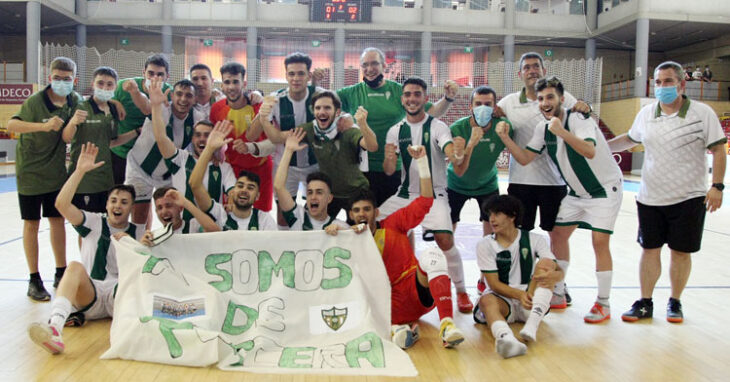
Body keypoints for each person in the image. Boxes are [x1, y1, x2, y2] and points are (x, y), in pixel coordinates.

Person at [496, 76, 623, 324]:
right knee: (558, 235)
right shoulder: (543, 129)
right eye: (541, 98)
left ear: (562, 99)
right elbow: (524, 159)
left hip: (604, 189)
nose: (545, 102)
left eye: (550, 97)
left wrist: (561, 131)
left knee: (599, 242)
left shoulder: (578, 118)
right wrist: (505, 138)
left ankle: (603, 302)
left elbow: (589, 150)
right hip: (576, 194)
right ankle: (558, 290)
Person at [608, 61, 727, 323]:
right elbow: (630, 139)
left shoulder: (702, 113)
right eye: (658, 82)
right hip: (650, 196)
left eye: (668, 81)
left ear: (682, 84)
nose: (662, 87)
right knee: (649, 249)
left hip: (689, 197)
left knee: (680, 252)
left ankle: (675, 302)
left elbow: (718, 150)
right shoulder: (647, 113)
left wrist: (717, 186)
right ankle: (645, 302)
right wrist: (601, 148)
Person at [337, 145, 464, 349]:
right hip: (389, 306)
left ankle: (447, 326)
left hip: (417, 291)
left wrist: (422, 162)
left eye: (367, 209)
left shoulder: (394, 224)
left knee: (432, 254)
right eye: (357, 210)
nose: (362, 214)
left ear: (376, 212)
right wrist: (334, 231)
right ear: (351, 215)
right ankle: (401, 330)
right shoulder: (346, 239)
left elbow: (425, 200)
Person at [27, 143, 145, 354]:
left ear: (131, 208)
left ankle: (137, 332)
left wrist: (133, 245)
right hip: (91, 294)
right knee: (73, 267)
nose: (117, 206)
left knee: (138, 284)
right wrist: (79, 171)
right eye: (113, 201)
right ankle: (55, 328)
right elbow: (61, 204)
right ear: (107, 204)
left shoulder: (139, 232)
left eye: (124, 202)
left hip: (120, 294)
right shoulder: (93, 222)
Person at [496, 52, 590, 309]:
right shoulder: (508, 102)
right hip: (521, 180)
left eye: (536, 66)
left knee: (557, 236)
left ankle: (559, 286)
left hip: (554, 181)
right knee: (518, 235)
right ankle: (518, 281)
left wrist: (586, 106)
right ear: (520, 74)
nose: (532, 70)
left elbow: (580, 110)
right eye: (526, 67)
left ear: (543, 68)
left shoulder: (561, 96)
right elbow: (493, 116)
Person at [381, 77, 473, 313]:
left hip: (434, 195)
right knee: (377, 228)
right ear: (402, 99)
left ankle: (461, 291)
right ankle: (391, 281)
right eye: (408, 94)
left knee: (445, 240)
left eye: (417, 94)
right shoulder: (395, 131)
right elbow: (389, 170)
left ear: (425, 98)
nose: (412, 99)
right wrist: (390, 158)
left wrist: (458, 152)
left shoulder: (438, 126)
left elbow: (452, 155)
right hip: (404, 194)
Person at [336, 47, 458, 206]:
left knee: (396, 220)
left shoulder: (398, 91)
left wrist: (448, 98)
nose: (369, 69)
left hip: (395, 168)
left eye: (374, 64)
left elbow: (432, 111)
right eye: (365, 65)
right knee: (363, 220)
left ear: (384, 66)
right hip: (360, 169)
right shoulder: (350, 93)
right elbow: (321, 104)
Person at [7, 56, 82, 301]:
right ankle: (34, 278)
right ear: (50, 78)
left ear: (75, 80)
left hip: (56, 171)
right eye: (57, 78)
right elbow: (11, 125)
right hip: (30, 171)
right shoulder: (34, 102)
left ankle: (60, 271)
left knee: (57, 220)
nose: (62, 82)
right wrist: (43, 126)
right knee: (31, 223)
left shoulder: (74, 100)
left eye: (67, 79)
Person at [472, 195, 564, 359]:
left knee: (546, 265)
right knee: (486, 300)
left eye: (497, 214)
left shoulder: (535, 239)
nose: (491, 219)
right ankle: (506, 339)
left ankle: (531, 327)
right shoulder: (485, 244)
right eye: (490, 214)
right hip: (502, 298)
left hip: (530, 298)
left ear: (512, 216)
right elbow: (493, 284)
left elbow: (558, 271)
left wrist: (554, 276)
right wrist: (519, 295)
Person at [270, 91, 377, 217]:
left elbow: (372, 146)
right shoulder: (310, 129)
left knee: (359, 232)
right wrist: (264, 119)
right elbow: (281, 137)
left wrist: (363, 125)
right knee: (310, 225)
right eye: (318, 108)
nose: (322, 112)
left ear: (337, 112)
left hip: (356, 192)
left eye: (327, 108)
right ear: (313, 111)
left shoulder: (347, 129)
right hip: (329, 194)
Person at [147, 78, 236, 231]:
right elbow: (161, 138)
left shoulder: (223, 166)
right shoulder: (181, 159)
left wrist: (233, 199)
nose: (203, 139)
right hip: (184, 229)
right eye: (198, 135)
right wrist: (155, 106)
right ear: (192, 138)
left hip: (213, 228)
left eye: (207, 135)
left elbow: (232, 190)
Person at [249, 52, 324, 229]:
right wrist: (262, 113)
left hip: (314, 165)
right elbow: (251, 135)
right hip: (285, 166)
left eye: (300, 73)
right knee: (283, 214)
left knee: (315, 211)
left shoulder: (320, 95)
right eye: (291, 74)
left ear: (308, 76)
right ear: (286, 75)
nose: (296, 78)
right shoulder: (276, 99)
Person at [63, 66, 140, 214]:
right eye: (100, 83)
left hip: (106, 179)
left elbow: (112, 142)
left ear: (115, 87)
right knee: (86, 226)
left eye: (109, 84)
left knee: (105, 223)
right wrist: (73, 122)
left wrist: (136, 132)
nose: (104, 87)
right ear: (93, 84)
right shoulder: (80, 107)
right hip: (84, 180)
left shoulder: (113, 110)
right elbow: (66, 137)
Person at [125, 79, 196, 226]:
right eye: (179, 94)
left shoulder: (196, 117)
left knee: (172, 215)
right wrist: (135, 92)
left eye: (188, 95)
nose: (183, 99)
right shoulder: (161, 108)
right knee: (140, 216)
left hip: (168, 174)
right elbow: (144, 105)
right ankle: (140, 244)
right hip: (140, 168)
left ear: (194, 99)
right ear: (172, 96)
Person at [447, 85, 513, 236]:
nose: (483, 108)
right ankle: (447, 258)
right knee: (448, 229)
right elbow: (458, 168)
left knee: (491, 230)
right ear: (470, 106)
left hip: (487, 185)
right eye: (478, 104)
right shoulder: (458, 128)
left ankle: (488, 258)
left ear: (494, 107)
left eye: (488, 104)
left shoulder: (503, 127)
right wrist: (471, 142)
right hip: (456, 184)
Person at [189, 121, 277, 231]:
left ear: (257, 196)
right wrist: (209, 148)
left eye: (250, 188)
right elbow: (195, 185)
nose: (244, 190)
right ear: (233, 191)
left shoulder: (264, 219)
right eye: (240, 186)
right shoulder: (220, 214)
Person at [209, 62, 272, 211]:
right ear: (222, 85)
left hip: (261, 169)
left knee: (260, 218)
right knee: (232, 215)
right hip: (233, 170)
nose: (231, 87)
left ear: (243, 83)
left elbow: (273, 141)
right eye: (227, 82)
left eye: (235, 82)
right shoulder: (216, 109)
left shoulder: (258, 107)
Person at [111, 54, 172, 185]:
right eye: (150, 73)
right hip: (121, 151)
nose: (155, 78)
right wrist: (114, 102)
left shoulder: (169, 93)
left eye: (160, 74)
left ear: (167, 77)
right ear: (143, 73)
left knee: (142, 200)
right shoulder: (124, 86)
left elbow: (147, 109)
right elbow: (100, 100)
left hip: (148, 156)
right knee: (119, 195)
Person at [274, 129, 350, 231]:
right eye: (310, 192)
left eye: (319, 192)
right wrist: (288, 150)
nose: (313, 197)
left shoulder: (339, 226)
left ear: (329, 198)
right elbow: (279, 187)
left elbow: (357, 234)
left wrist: (342, 232)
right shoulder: (298, 216)